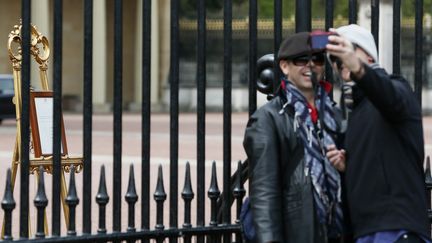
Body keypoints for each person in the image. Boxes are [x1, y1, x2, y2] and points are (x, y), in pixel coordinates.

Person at [325, 24, 431, 243]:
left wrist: (358, 67)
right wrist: (348, 168)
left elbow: (387, 95)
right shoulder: (357, 112)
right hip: (366, 231)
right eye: (335, 60)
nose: (341, 64)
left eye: (348, 52)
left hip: (397, 230)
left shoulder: (397, 89)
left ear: (369, 57)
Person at [243, 31, 347, 243]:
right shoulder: (267, 119)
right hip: (297, 232)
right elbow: (264, 193)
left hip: (334, 230)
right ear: (284, 66)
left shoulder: (334, 115)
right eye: (301, 60)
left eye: (317, 59)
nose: (311, 66)